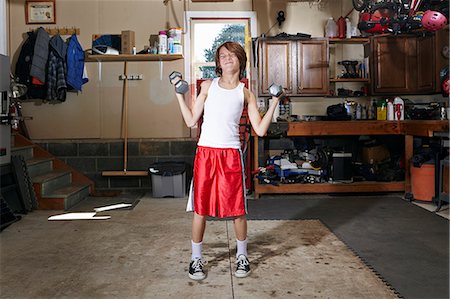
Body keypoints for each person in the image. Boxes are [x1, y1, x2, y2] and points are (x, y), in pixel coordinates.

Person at [173, 41, 282, 281]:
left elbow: (261, 130)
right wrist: (180, 95)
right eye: (222, 55)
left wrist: (274, 102)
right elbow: (191, 120)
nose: (227, 58)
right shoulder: (208, 86)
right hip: (206, 154)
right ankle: (195, 259)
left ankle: (242, 256)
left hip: (231, 155)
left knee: (237, 210)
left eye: (232, 55)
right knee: (200, 209)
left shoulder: (245, 93)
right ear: (217, 62)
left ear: (240, 61)